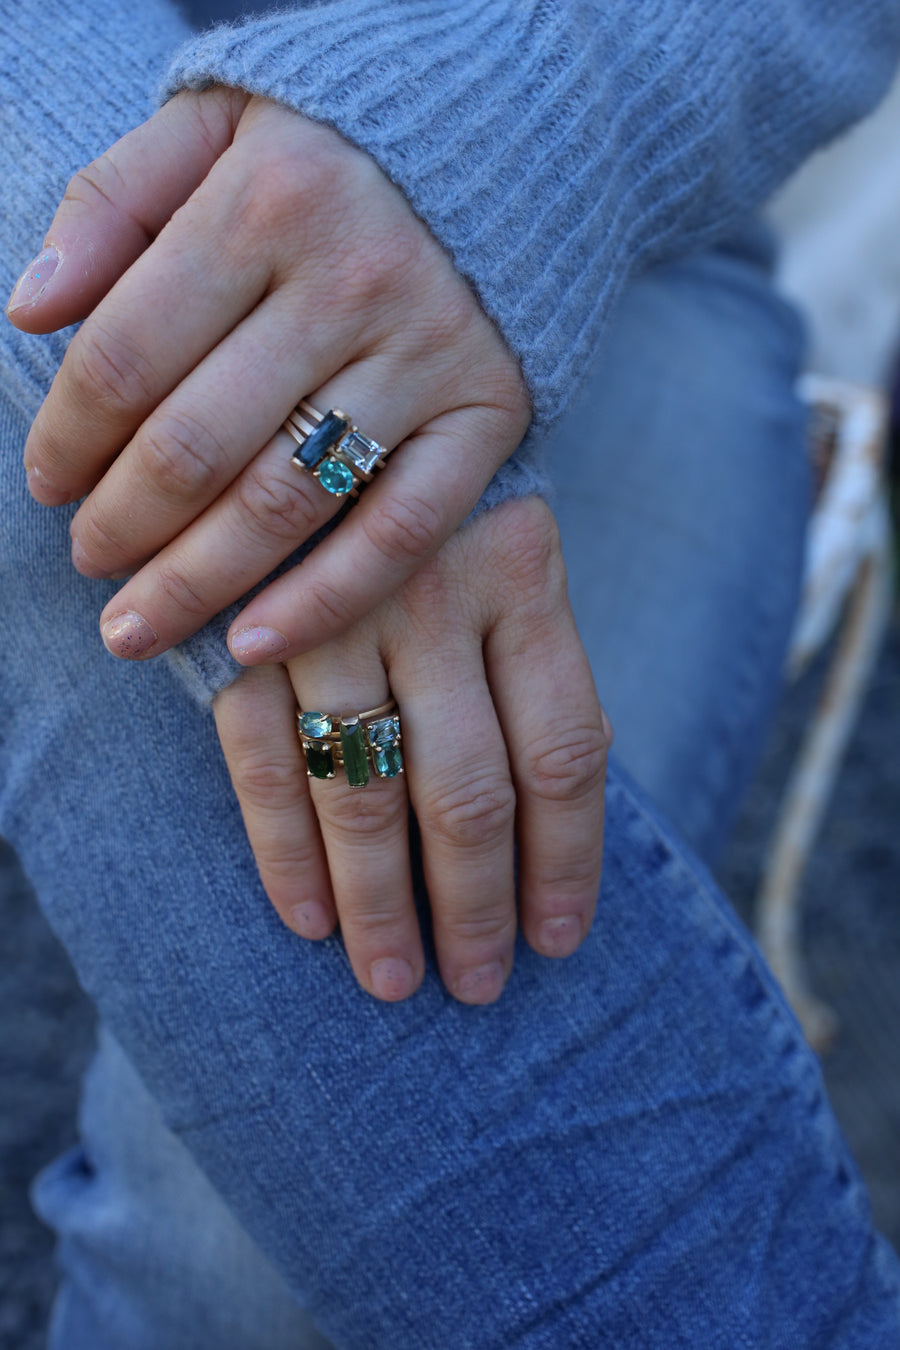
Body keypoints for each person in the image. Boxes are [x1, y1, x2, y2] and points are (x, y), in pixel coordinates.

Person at [2, 0, 900, 1344]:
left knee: (281, 1214)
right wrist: (295, 415)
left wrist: (498, 126)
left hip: (622, 202)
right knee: (231, 1256)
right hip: (59, 183)